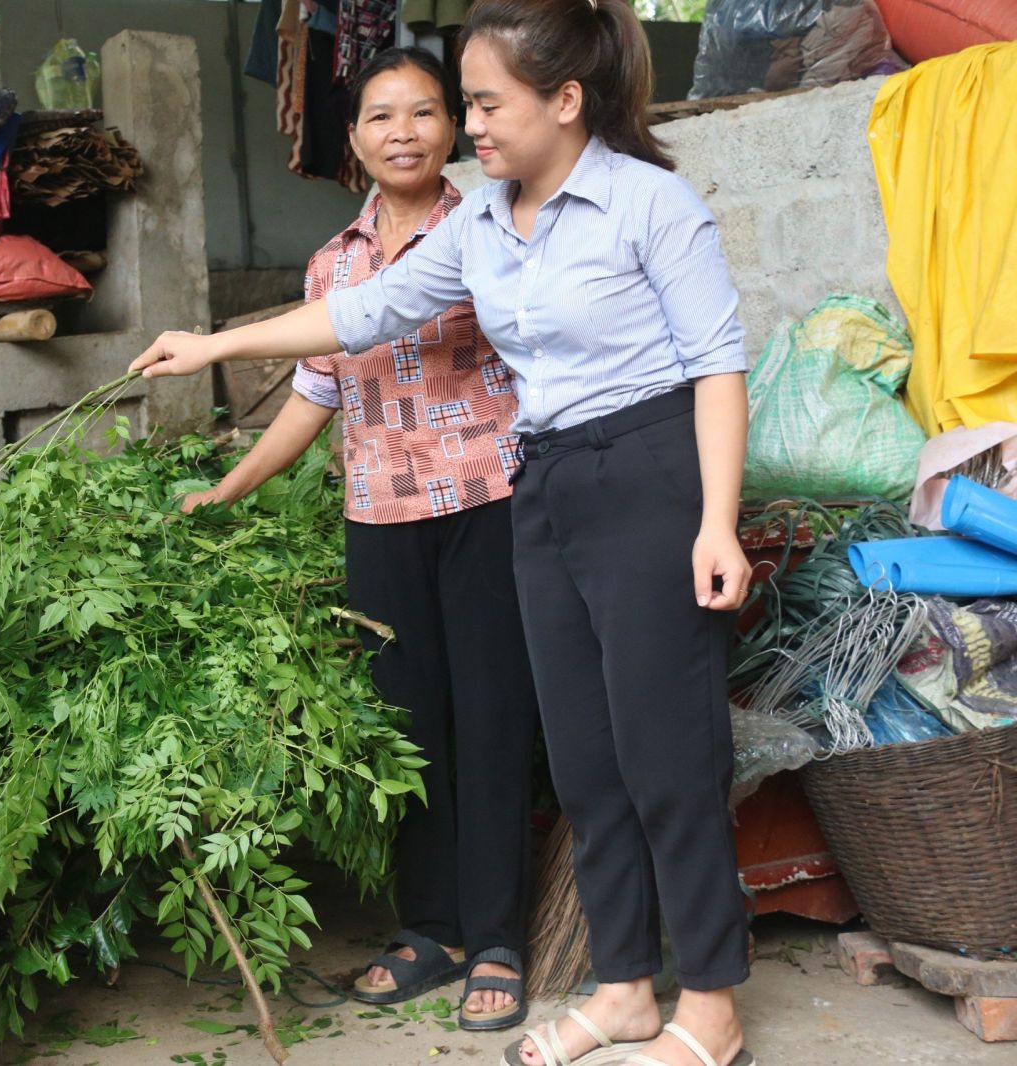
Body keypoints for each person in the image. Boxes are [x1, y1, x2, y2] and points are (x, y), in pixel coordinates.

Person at [131, 2, 758, 1065]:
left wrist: (716, 523)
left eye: (481, 102)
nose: (468, 126)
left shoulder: (649, 205)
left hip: (650, 475)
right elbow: (362, 315)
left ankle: (711, 1004)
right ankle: (622, 988)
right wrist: (211, 343)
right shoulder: (481, 223)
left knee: (666, 757)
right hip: (547, 482)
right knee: (585, 763)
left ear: (564, 100)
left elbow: (717, 367)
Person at [185, 45, 540, 1032]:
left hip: (484, 503)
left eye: (422, 113)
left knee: (492, 718)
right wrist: (230, 486)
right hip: (378, 519)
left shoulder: (491, 227)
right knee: (406, 729)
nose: (402, 133)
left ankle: (498, 935)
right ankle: (429, 927)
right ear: (351, 140)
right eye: (379, 117)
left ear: (454, 127)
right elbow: (310, 401)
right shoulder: (331, 264)